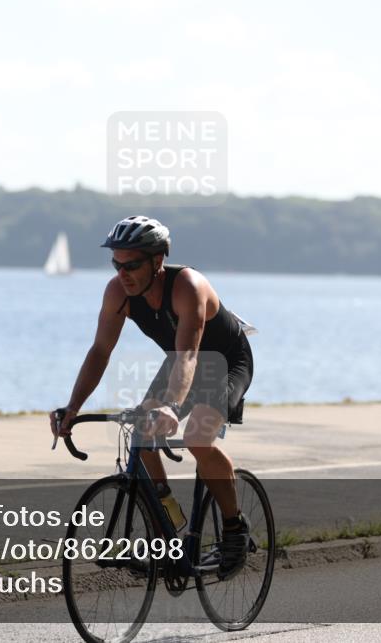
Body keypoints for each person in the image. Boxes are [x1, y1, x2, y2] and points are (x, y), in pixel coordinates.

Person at [50, 216, 255, 579]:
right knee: (140, 432)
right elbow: (100, 351)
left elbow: (190, 355)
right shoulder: (117, 293)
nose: (123, 273)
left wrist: (172, 406)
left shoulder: (187, 286)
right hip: (181, 363)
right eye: (116, 264)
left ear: (157, 260)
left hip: (224, 362)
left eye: (132, 265)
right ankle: (167, 524)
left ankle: (235, 528)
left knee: (197, 438)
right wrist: (73, 407)